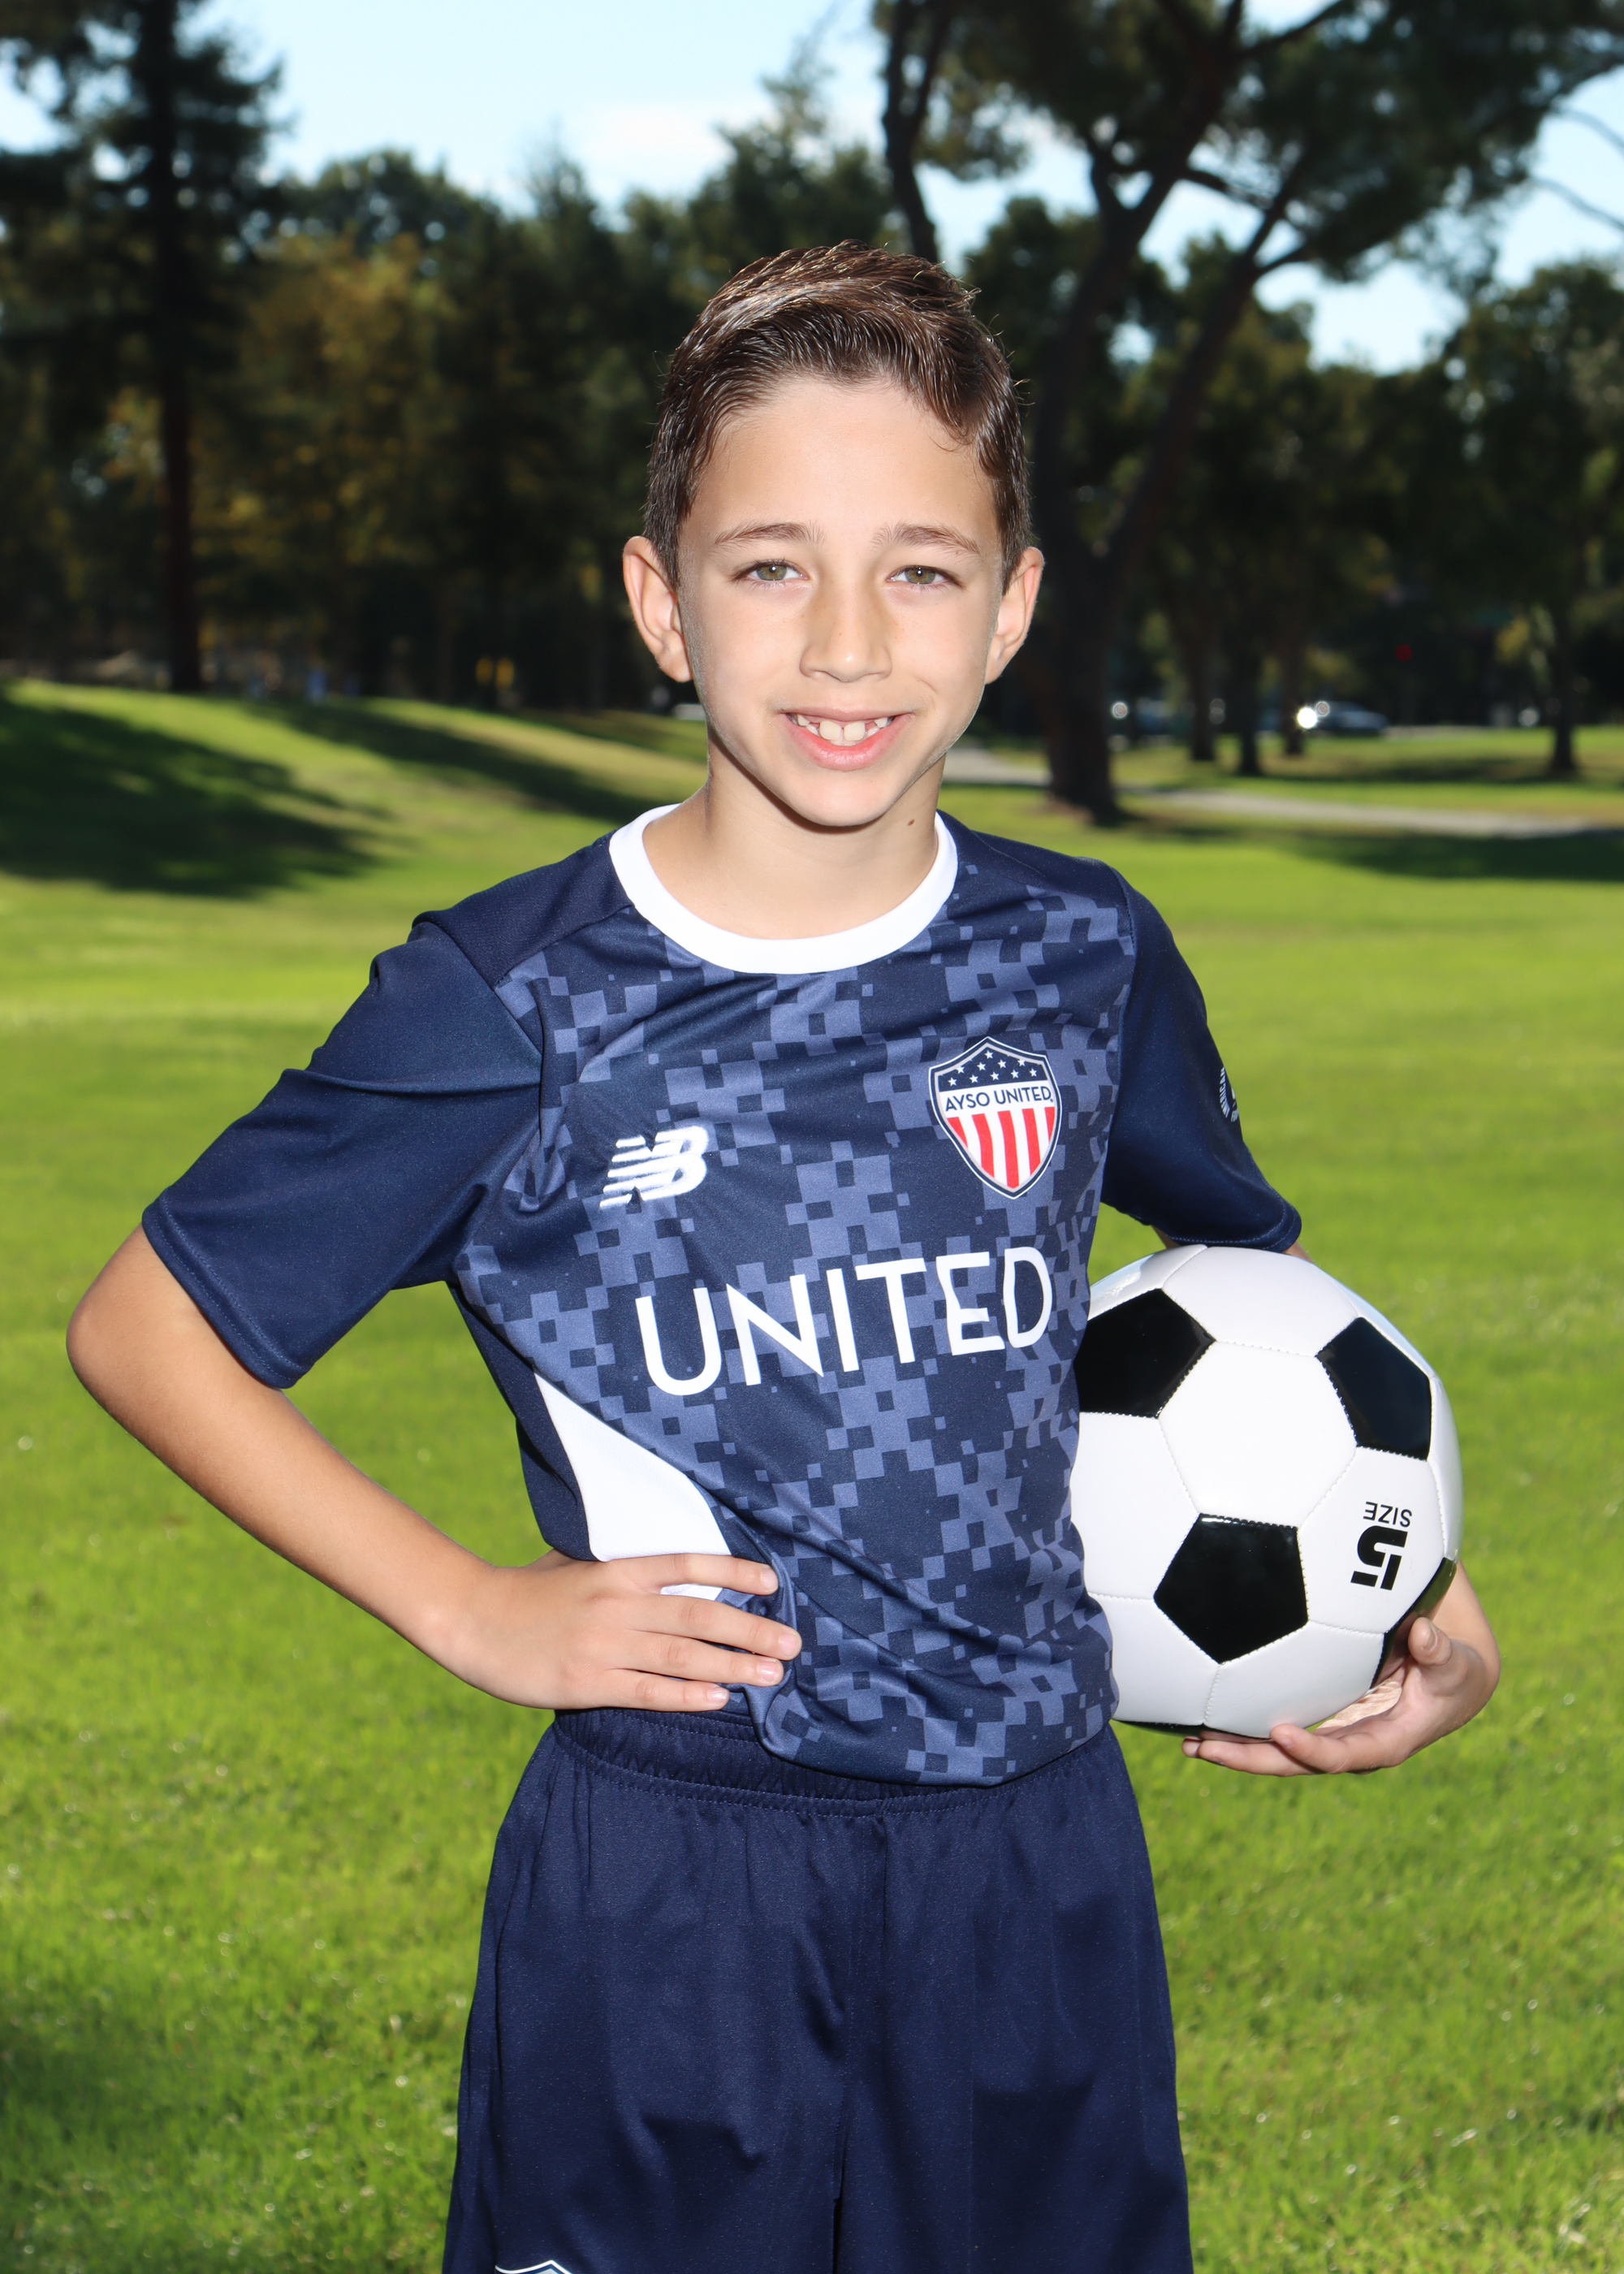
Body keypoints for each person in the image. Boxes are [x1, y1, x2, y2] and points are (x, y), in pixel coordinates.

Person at [67, 244, 1499, 2274]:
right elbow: (147, 1327)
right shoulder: (519, 997)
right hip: (673, 1879)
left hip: (1033, 1867)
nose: (846, 641)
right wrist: (468, 1606)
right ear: (660, 600)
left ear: (1010, 606)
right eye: (768, 567)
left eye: (920, 569)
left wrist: (1399, 1585)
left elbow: (1256, 1311)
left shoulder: (1082, 955)